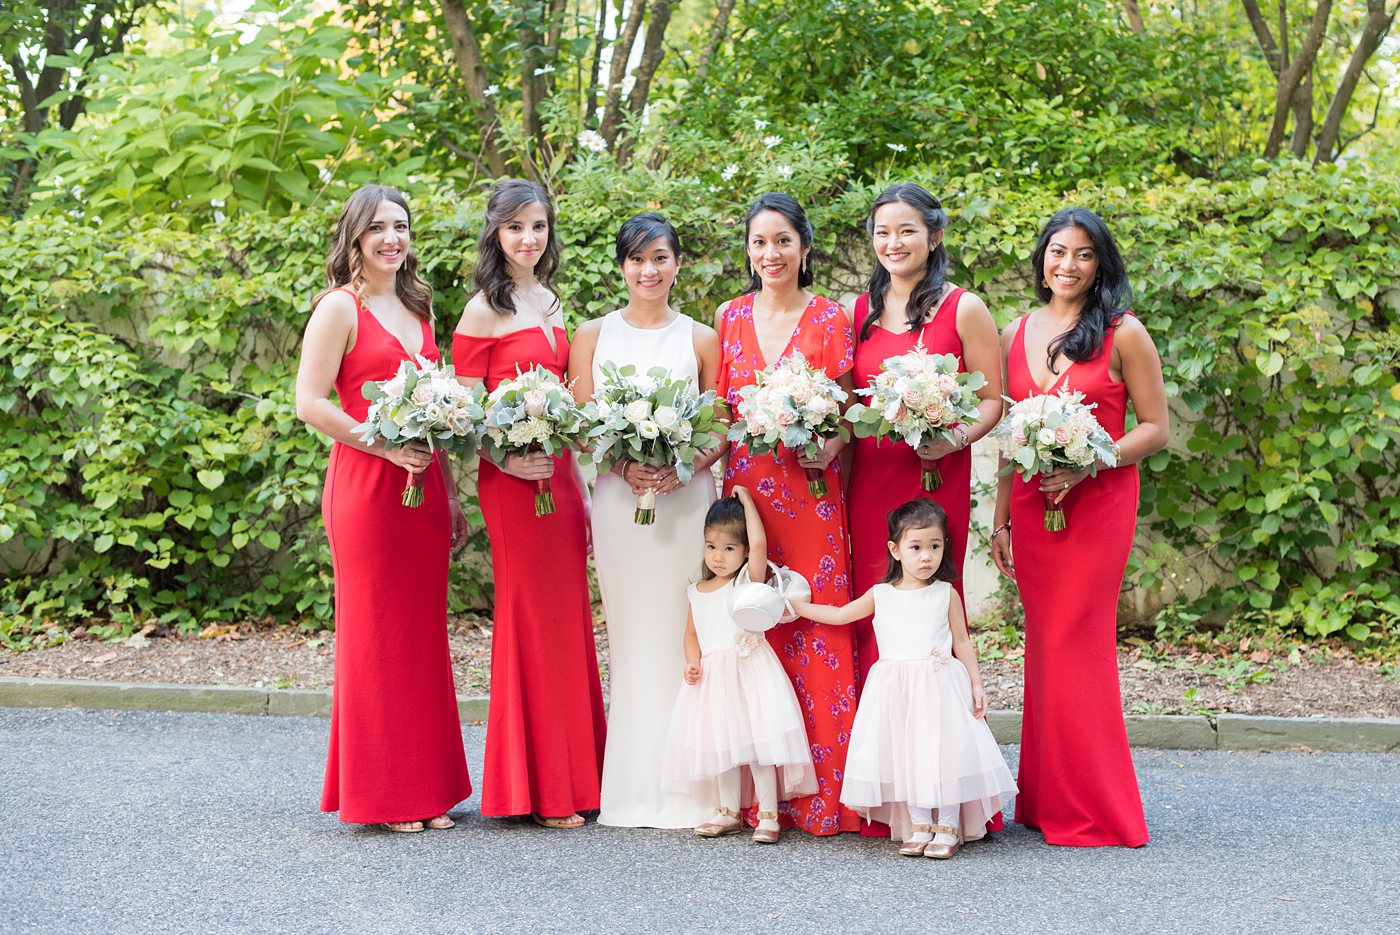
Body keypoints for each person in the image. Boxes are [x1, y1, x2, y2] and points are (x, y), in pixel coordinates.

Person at [294, 184, 471, 833]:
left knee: (418, 638)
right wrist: (381, 442)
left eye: (401, 226)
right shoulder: (340, 307)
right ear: (356, 238)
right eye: (379, 228)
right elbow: (309, 401)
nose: (392, 238)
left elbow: (435, 412)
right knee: (375, 637)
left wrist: (447, 493)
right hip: (367, 490)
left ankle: (425, 787)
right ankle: (386, 795)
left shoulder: (419, 307)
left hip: (421, 493)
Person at [990, 207, 1169, 847]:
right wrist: (1000, 516)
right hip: (1034, 508)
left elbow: (1155, 428)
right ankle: (1044, 797)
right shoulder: (1014, 331)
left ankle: (1094, 809)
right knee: (1044, 643)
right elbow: (1013, 434)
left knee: (1074, 641)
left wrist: (1096, 460)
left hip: (1099, 506)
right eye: (1057, 251)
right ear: (1042, 257)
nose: (1067, 265)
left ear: (1101, 265)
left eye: (1084, 254)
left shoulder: (1124, 333)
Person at [452, 179, 606, 829]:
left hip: (561, 475)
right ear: (495, 232)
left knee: (569, 615)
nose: (528, 238)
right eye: (515, 227)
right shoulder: (481, 309)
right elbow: (461, 414)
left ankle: (580, 775)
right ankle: (539, 790)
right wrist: (503, 457)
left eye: (538, 225)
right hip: (512, 482)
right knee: (530, 617)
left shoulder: (550, 300)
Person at [566, 212, 719, 828]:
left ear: (678, 264)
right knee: (633, 638)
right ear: (621, 266)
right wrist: (624, 469)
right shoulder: (592, 336)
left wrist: (681, 468)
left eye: (660, 257)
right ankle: (630, 787)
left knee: (688, 632)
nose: (648, 270)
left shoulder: (701, 337)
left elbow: (722, 425)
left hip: (686, 500)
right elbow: (580, 424)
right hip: (617, 499)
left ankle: (695, 787)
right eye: (637, 259)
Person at [714, 192, 860, 835]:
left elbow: (853, 412)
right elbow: (719, 413)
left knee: (814, 622)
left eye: (782, 241)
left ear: (804, 247)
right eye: (758, 242)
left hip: (811, 494)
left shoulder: (832, 318)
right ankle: (758, 798)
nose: (769, 254)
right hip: (748, 493)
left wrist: (825, 444)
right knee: (754, 631)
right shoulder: (728, 316)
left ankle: (826, 793)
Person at [793, 499, 1015, 858]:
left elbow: (962, 642)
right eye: (916, 547)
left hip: (939, 686)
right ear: (895, 550)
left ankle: (946, 824)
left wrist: (976, 683)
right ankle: (918, 822)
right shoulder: (881, 595)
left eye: (934, 546)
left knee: (940, 753)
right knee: (906, 753)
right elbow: (840, 615)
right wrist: (796, 607)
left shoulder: (945, 593)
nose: (926, 556)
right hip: (896, 689)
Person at [846, 183, 1002, 687]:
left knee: (931, 614)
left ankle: (942, 740)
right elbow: (849, 405)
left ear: (934, 236)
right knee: (878, 606)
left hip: (935, 480)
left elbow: (991, 401)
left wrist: (955, 438)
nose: (893, 242)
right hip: (871, 483)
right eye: (882, 232)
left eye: (907, 230)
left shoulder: (965, 309)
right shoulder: (855, 312)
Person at [662, 489, 817, 844]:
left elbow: (761, 546)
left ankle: (767, 814)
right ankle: (728, 811)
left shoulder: (745, 581)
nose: (718, 556)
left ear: (744, 552)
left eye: (729, 548)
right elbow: (691, 634)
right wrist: (691, 662)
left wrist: (748, 503)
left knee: (759, 745)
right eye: (711, 546)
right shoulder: (696, 591)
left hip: (749, 673)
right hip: (713, 679)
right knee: (723, 746)